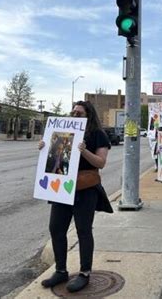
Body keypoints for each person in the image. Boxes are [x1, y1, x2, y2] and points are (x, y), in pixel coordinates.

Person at [39, 101, 113, 293]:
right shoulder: (63, 133)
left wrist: (84, 150)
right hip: (62, 188)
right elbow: (55, 160)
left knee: (83, 230)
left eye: (79, 113)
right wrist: (44, 147)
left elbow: (101, 162)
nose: (74, 114)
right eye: (73, 112)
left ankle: (85, 273)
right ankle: (61, 270)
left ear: (88, 115)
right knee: (56, 228)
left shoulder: (98, 135)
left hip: (85, 189)